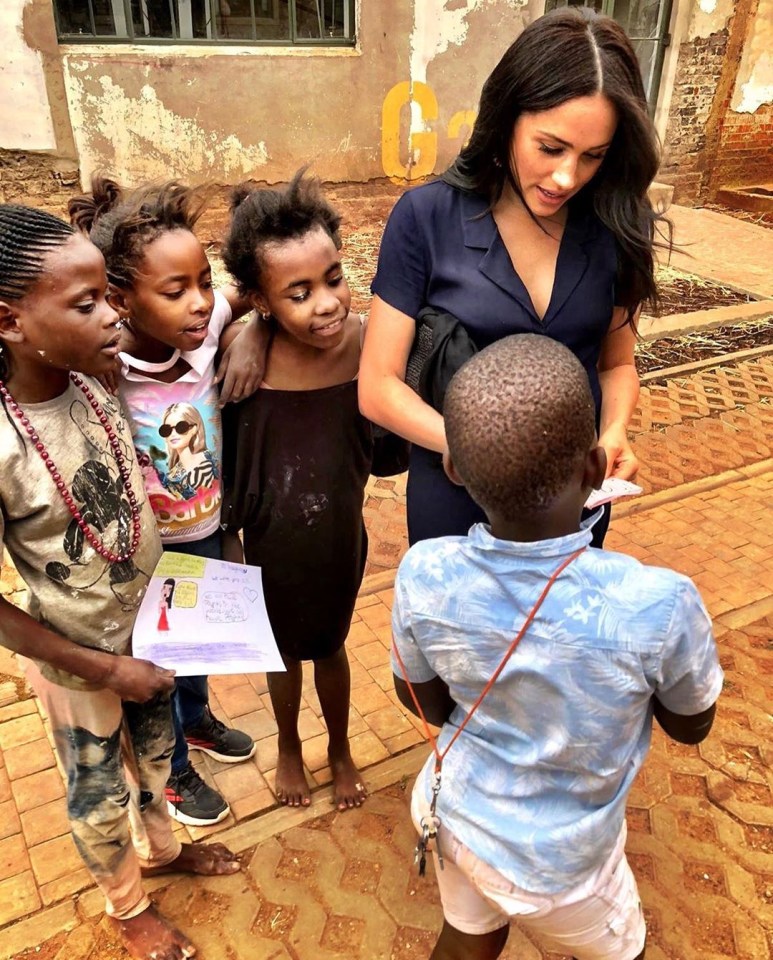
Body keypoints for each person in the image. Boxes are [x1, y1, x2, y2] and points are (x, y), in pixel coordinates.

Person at [391, 334, 722, 960]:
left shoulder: (423, 572)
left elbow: (427, 706)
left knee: (467, 936)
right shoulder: (657, 602)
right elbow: (692, 726)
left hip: (456, 813)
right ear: (596, 469)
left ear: (456, 470)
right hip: (562, 865)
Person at [0, 204, 239, 960]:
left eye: (110, 295)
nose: (113, 317)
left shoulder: (96, 375)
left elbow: (214, 318)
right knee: (100, 793)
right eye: (87, 304)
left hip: (149, 634)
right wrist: (105, 669)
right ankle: (127, 905)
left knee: (161, 758)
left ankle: (166, 854)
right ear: (10, 323)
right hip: (81, 660)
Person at [359, 6, 670, 548]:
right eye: (550, 148)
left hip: (570, 512)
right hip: (457, 502)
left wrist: (614, 428)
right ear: (506, 118)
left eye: (592, 156)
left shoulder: (613, 226)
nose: (567, 176)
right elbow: (378, 387)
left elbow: (616, 364)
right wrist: (466, 449)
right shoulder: (427, 219)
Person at [70, 178, 263, 827]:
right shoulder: (107, 370)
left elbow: (255, 298)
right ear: (121, 301)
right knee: (158, 666)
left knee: (198, 645)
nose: (200, 304)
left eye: (202, 282)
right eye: (175, 291)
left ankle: (199, 720)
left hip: (204, 528)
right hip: (147, 554)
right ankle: (173, 769)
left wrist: (254, 331)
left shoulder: (206, 337)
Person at [219, 170, 371, 812]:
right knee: (281, 651)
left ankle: (339, 747)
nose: (326, 303)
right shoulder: (241, 354)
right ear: (261, 300)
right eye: (298, 293)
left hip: (340, 534)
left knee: (332, 646)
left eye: (332, 279)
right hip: (271, 542)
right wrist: (227, 537)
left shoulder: (367, 343)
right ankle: (287, 745)